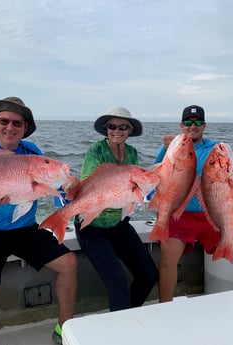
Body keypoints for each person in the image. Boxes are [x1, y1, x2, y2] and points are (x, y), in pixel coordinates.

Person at [0, 97, 77, 345]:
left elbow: (48, 185)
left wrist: (67, 186)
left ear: (25, 127)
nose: (10, 127)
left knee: (69, 263)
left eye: (17, 123)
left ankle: (64, 331)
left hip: (24, 228)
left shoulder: (32, 153)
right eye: (4, 121)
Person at [155, 105, 233, 302]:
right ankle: (165, 307)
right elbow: (158, 177)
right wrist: (165, 148)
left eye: (197, 122)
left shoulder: (215, 150)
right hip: (180, 215)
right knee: (168, 259)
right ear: (181, 125)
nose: (192, 126)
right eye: (188, 122)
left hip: (215, 215)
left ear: (204, 125)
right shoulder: (171, 148)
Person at [75, 107, 158, 311]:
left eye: (123, 127)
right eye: (112, 126)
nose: (117, 130)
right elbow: (87, 185)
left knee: (149, 274)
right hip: (91, 226)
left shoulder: (132, 153)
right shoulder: (96, 150)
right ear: (106, 129)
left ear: (130, 130)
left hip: (118, 224)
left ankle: (125, 316)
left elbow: (132, 189)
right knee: (117, 282)